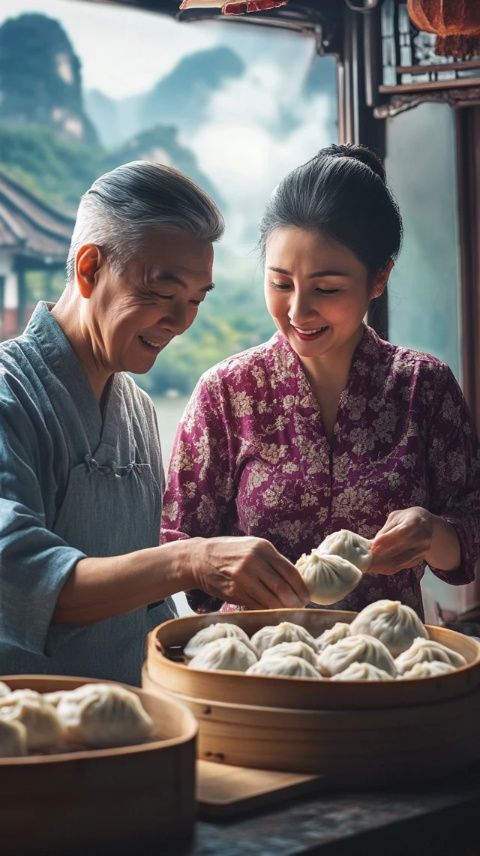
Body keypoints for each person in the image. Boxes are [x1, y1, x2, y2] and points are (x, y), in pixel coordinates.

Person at [0, 161, 309, 685]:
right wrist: (187, 561)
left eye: (193, 301)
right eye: (162, 293)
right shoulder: (11, 393)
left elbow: (145, 609)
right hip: (26, 739)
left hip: (133, 731)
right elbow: (18, 576)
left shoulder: (138, 411)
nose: (180, 321)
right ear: (89, 268)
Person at [162, 144, 480, 619]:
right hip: (253, 665)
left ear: (379, 278)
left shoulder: (423, 387)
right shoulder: (227, 392)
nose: (297, 311)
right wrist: (220, 568)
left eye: (327, 289)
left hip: (387, 664)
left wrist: (434, 534)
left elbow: (471, 529)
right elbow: (175, 547)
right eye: (280, 283)